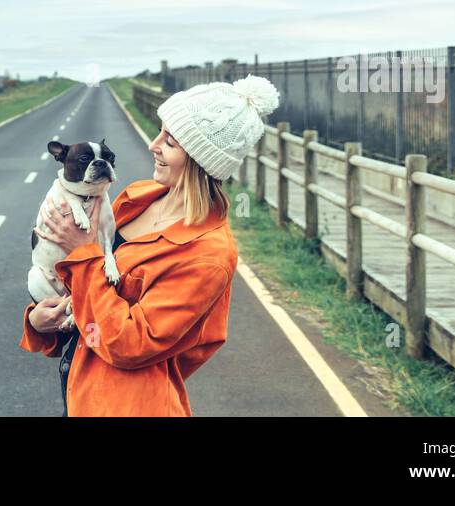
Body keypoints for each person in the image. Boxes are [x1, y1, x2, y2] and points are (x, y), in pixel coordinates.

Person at [20, 75, 280, 416]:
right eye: (159, 132)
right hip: (80, 391)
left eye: (169, 141)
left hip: (131, 406)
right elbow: (87, 304)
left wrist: (85, 255)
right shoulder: (137, 198)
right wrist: (42, 325)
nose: (152, 145)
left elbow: (130, 343)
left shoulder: (208, 254)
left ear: (202, 159)